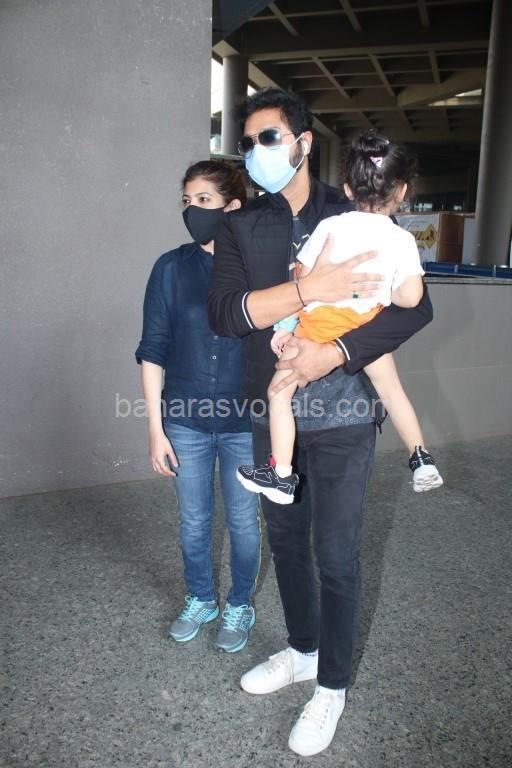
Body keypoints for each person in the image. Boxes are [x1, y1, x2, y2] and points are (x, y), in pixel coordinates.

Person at [208, 88, 434, 756]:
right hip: (271, 403)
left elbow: (415, 309)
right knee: (286, 540)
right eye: (247, 142)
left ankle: (332, 685)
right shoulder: (241, 225)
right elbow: (226, 314)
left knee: (336, 552)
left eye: (267, 138)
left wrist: (333, 351)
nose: (255, 152)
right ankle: (303, 649)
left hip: (344, 410)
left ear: (304, 143)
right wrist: (308, 291)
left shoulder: (353, 210)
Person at [236, 129, 443, 504]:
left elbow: (302, 281)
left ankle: (280, 474)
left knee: (278, 392)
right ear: (401, 191)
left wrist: (285, 327)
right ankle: (421, 458)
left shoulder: (331, 226)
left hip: (320, 326)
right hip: (365, 328)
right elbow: (412, 298)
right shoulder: (401, 239)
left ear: (347, 189)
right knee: (392, 391)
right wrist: (383, 292)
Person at [135, 160, 260, 654]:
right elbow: (152, 349)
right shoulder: (170, 268)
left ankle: (239, 603)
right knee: (193, 521)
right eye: (187, 201)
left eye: (204, 200)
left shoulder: (259, 269)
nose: (192, 210)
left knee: (243, 522)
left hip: (245, 421)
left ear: (233, 207)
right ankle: (201, 598)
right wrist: (155, 429)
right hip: (184, 421)